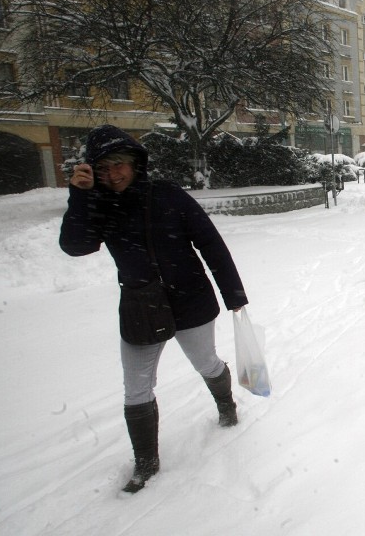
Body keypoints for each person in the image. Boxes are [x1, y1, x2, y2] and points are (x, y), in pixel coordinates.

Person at [59, 124, 248, 494]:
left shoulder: (167, 195)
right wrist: (80, 197)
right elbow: (75, 245)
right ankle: (146, 460)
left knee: (205, 362)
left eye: (118, 165)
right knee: (136, 386)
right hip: (141, 306)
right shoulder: (99, 203)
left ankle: (226, 404)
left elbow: (210, 243)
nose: (113, 174)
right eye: (103, 169)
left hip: (189, 298)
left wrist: (234, 294)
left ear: (133, 162)